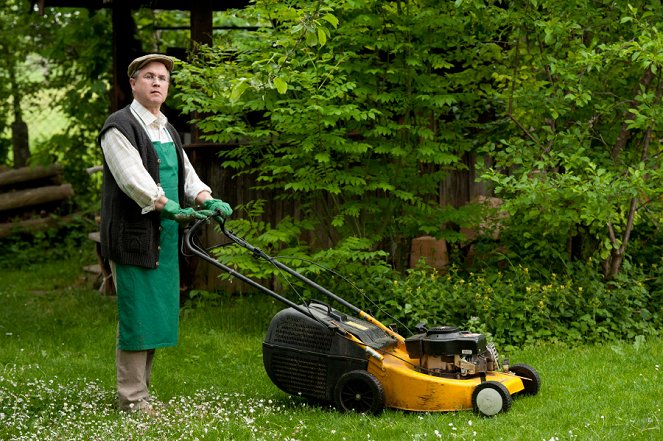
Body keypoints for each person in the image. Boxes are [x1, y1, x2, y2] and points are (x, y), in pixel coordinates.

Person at [97, 53, 232, 415]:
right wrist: (165, 204)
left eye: (163, 79)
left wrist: (207, 198)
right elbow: (131, 179)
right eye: (150, 77)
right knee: (138, 313)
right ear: (134, 83)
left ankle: (142, 393)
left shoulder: (166, 128)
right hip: (132, 235)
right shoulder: (119, 127)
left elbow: (186, 174)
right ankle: (131, 398)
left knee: (155, 313)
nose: (157, 83)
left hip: (164, 238)